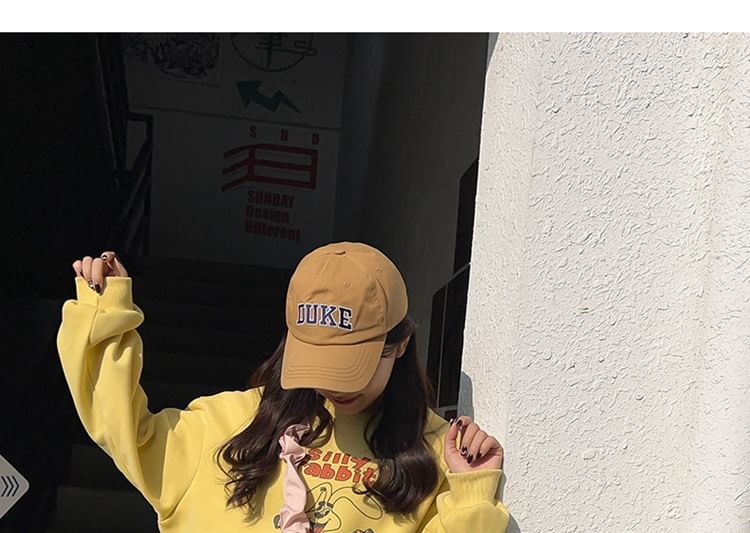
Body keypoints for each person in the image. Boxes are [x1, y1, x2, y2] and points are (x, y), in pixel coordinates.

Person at [57, 241, 510, 532]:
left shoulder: (433, 456)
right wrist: (104, 320)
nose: (332, 386)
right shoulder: (228, 424)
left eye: (349, 364)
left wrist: (472, 498)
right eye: (318, 358)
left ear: (401, 343)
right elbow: (119, 427)